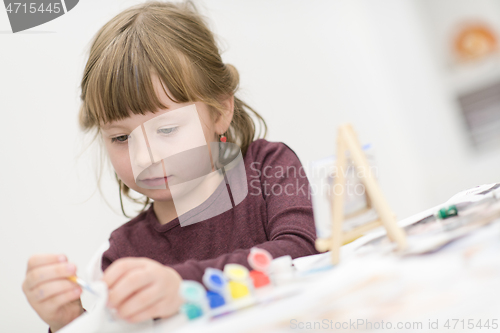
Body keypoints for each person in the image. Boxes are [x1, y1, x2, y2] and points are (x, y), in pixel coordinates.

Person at [21, 1, 319, 332]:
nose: (145, 157)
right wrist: (69, 323)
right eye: (121, 138)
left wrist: (181, 287)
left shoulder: (267, 168)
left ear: (220, 110)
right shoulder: (123, 255)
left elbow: (302, 254)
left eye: (165, 130)